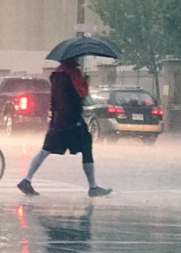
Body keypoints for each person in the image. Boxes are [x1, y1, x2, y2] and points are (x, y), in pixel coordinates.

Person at [17, 57, 112, 197]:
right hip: (73, 120)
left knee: (45, 149)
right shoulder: (73, 74)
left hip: (58, 119)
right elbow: (81, 94)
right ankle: (93, 187)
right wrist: (86, 82)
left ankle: (27, 179)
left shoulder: (55, 74)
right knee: (86, 147)